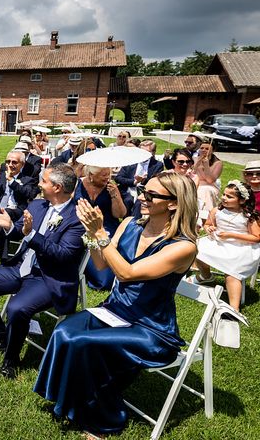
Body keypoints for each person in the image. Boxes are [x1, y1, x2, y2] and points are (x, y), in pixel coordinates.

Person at [34, 171, 198, 436]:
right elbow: (101, 264)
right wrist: (91, 233)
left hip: (149, 327)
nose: (142, 197)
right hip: (115, 309)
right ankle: (71, 401)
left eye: (151, 194)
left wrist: (100, 232)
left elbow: (127, 273)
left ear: (174, 203)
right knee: (64, 331)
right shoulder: (130, 223)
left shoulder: (183, 247)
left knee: (83, 342)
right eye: (143, 190)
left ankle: (105, 419)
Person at [0, 164, 86, 379]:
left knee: (17, 308)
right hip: (20, 267)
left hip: (48, 277)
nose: (39, 184)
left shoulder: (77, 218)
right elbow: (20, 228)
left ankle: (10, 360)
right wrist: (9, 225)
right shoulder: (39, 204)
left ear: (57, 187)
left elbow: (63, 255)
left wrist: (31, 235)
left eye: (44, 181)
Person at [191, 180, 260, 311]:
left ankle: (234, 308)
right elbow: (208, 224)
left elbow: (256, 238)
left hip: (241, 247)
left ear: (242, 200)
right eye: (224, 194)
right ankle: (206, 275)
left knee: (232, 272)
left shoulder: (248, 216)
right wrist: (209, 228)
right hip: (218, 242)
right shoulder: (217, 211)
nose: (223, 198)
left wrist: (231, 235)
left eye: (229, 196)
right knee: (195, 249)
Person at [74, 165, 128, 290]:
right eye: (103, 175)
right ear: (91, 175)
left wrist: (115, 195)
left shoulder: (111, 187)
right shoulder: (77, 184)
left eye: (108, 174)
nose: (107, 177)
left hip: (106, 228)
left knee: (104, 282)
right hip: (79, 226)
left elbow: (120, 214)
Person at [193, 142, 222, 221]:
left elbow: (210, 180)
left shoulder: (218, 163)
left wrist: (206, 165)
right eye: (202, 148)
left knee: (205, 190)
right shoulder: (194, 159)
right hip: (195, 183)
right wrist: (198, 162)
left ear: (212, 151)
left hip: (210, 186)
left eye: (207, 149)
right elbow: (192, 174)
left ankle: (205, 217)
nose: (204, 150)